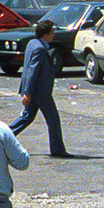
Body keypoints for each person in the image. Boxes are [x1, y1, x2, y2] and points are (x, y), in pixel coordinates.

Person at [9, 20, 71, 157]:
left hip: (34, 90)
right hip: (39, 92)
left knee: (27, 117)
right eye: (52, 32)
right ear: (46, 34)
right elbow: (32, 71)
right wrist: (28, 93)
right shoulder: (40, 49)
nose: (53, 35)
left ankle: (4, 136)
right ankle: (58, 149)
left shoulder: (32, 43)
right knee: (53, 119)